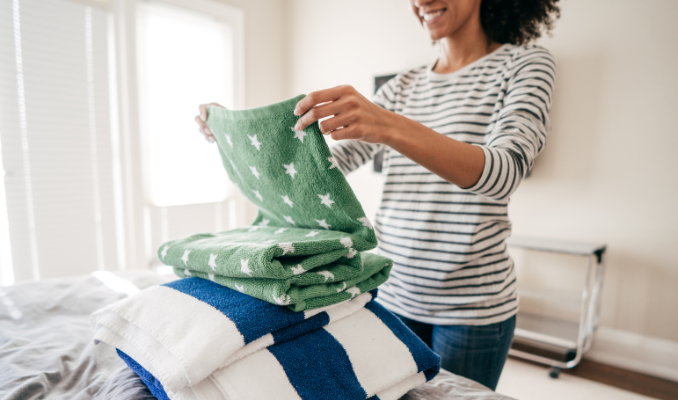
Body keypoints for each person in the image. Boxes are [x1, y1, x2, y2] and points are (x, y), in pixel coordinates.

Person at [196, 0, 560, 391]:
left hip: (473, 308)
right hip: (394, 291)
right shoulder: (402, 86)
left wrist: (389, 125)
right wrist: (236, 137)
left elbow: (504, 171)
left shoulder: (526, 65)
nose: (421, 2)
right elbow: (320, 171)